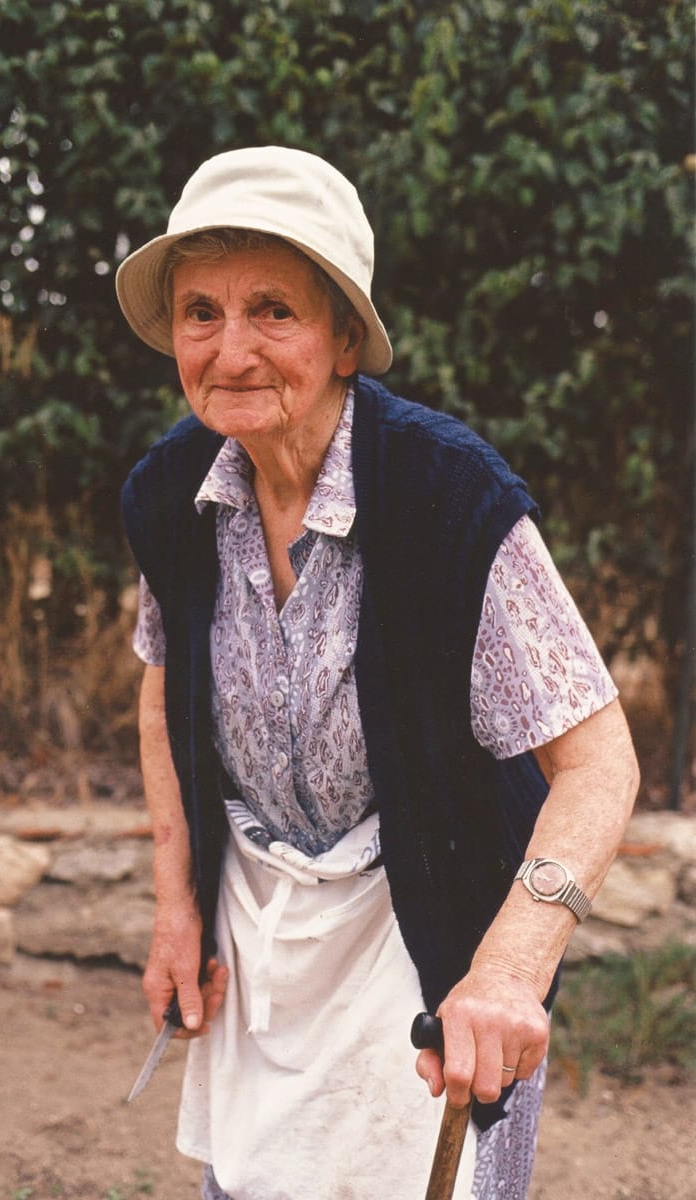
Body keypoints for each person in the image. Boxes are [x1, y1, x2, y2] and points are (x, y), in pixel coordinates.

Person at [116, 146, 638, 1200]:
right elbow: (161, 685)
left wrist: (509, 969)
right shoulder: (172, 491)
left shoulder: (450, 496)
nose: (230, 350)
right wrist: (176, 903)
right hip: (258, 927)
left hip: (431, 935)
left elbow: (597, 761)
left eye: (273, 311)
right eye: (200, 313)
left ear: (345, 338)